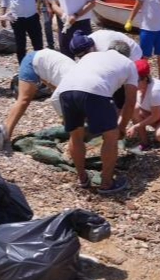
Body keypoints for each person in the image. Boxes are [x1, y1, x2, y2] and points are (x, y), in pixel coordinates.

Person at [51, 32, 138, 195]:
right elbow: (131, 101)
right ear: (128, 54)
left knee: (76, 136)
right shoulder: (129, 64)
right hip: (94, 90)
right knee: (110, 137)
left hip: (65, 90)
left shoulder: (92, 56)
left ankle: (82, 178)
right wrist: (122, 126)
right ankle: (106, 183)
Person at [2, 47, 77, 147]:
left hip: (49, 63)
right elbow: (55, 98)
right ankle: (5, 135)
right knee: (24, 100)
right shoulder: (71, 84)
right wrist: (66, 120)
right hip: (33, 61)